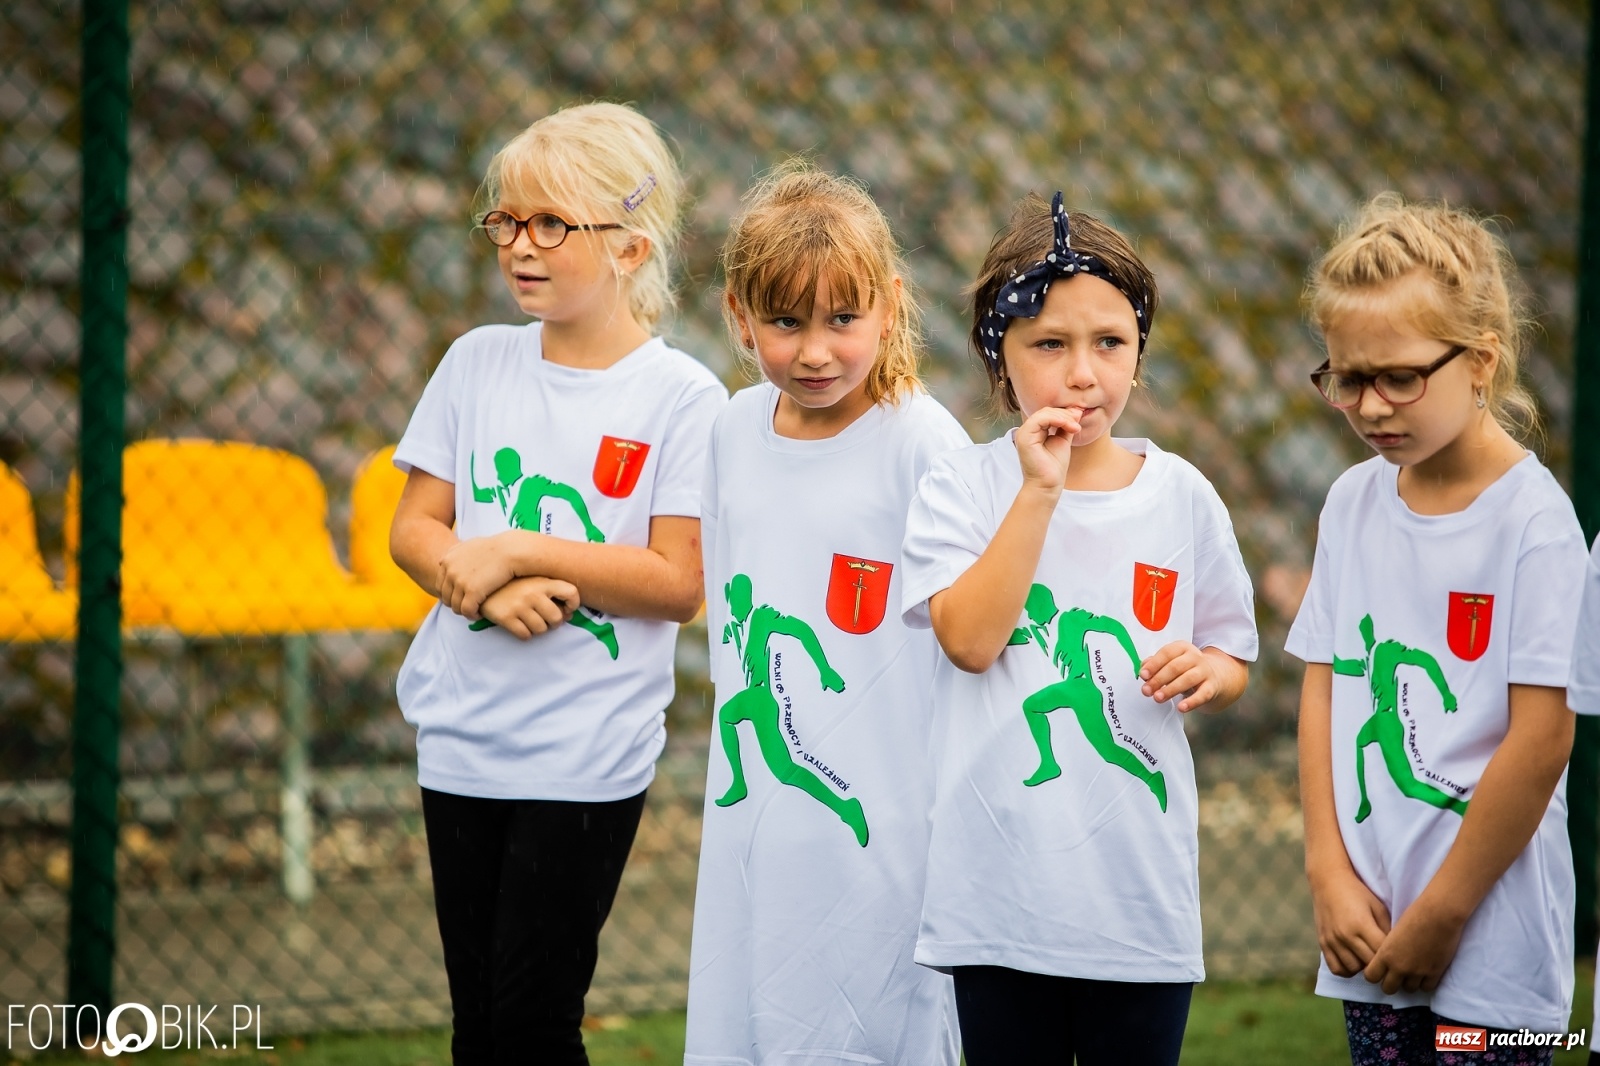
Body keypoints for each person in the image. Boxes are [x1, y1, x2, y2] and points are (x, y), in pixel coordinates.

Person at [387, 101, 727, 1065]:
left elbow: (674, 582)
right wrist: (483, 588)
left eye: (550, 225)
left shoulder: (682, 398)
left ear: (629, 246)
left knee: (535, 1024)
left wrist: (523, 547)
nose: (520, 247)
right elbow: (414, 531)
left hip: (584, 752)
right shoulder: (474, 363)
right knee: (478, 1029)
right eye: (506, 221)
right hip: (460, 739)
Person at [899, 192, 1258, 1066]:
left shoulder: (1182, 495)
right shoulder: (964, 487)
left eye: (1110, 343)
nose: (1082, 372)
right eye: (1048, 345)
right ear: (1000, 356)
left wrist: (1208, 672)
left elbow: (1231, 650)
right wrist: (1040, 492)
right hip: (997, 903)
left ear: (1139, 352)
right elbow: (971, 642)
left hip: (1137, 905)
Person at [1287, 192, 1586, 1066]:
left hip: (1488, 955)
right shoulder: (1350, 502)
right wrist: (1328, 875)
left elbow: (1542, 738)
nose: (1373, 406)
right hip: (1369, 932)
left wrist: (1446, 912)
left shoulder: (1535, 522)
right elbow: (1326, 688)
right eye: (1348, 378)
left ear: (1481, 362)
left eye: (1401, 376)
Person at [685, 164, 969, 1065]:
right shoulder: (731, 432)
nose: (816, 351)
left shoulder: (923, 443)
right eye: (786, 323)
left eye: (842, 320)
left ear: (888, 306)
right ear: (739, 315)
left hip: (884, 824)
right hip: (753, 815)